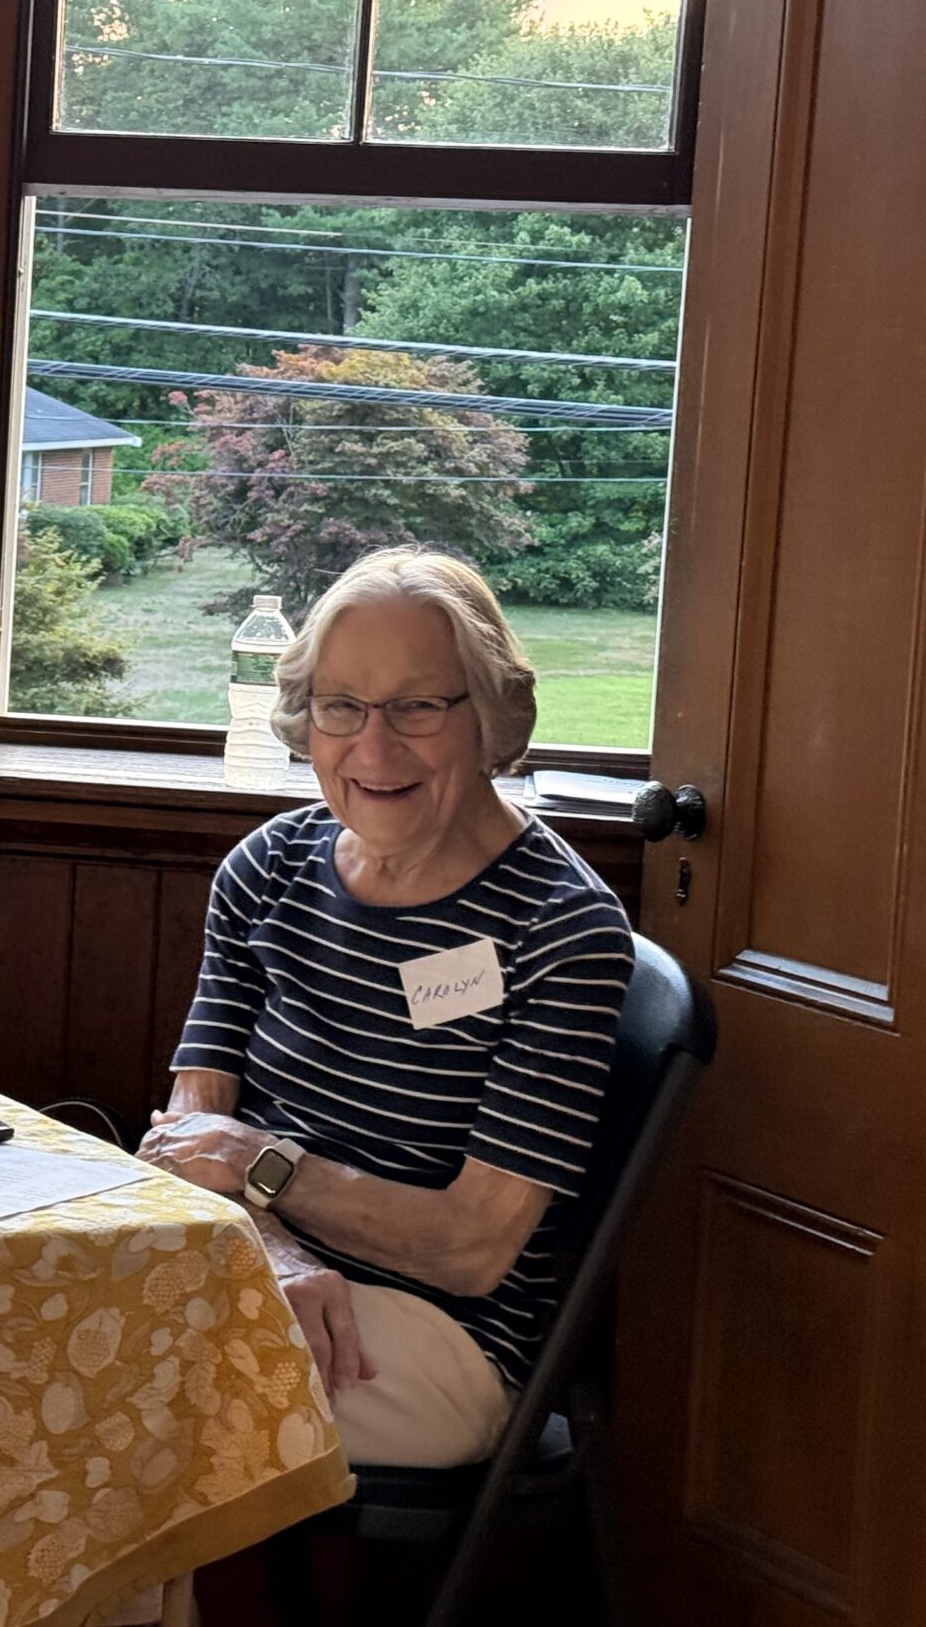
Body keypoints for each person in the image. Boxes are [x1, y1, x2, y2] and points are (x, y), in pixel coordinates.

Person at [137, 546, 632, 1469]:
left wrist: (264, 1168)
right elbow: (191, 1123)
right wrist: (273, 1248)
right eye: (342, 707)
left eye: (416, 707)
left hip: (446, 1336)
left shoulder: (560, 930)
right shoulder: (270, 868)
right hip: (254, 1260)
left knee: (112, 1390)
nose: (373, 748)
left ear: (489, 717)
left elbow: (471, 1249)